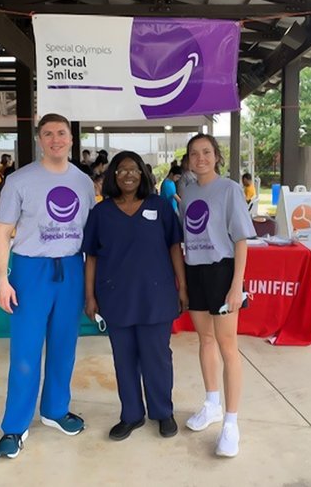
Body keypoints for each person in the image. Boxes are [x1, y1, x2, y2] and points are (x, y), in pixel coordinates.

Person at [0, 113, 95, 459]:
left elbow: (88, 234)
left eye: (61, 133)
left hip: (70, 268)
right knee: (25, 352)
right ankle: (15, 426)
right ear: (39, 139)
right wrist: (2, 278)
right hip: (30, 270)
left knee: (64, 346)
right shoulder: (20, 180)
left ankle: (55, 409)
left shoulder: (83, 182)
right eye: (48, 133)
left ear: (70, 139)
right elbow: (2, 231)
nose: (55, 139)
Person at [83, 151, 187, 441]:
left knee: (157, 357)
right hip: (116, 296)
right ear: (112, 176)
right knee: (124, 359)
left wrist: (182, 286)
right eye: (121, 170)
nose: (128, 174)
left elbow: (174, 248)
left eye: (134, 170)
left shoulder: (161, 207)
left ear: (143, 174)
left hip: (157, 295)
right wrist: (89, 296)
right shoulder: (101, 213)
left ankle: (163, 412)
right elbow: (90, 256)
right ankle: (131, 415)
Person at [180, 133, 255, 458]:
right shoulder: (186, 189)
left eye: (207, 152)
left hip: (221, 272)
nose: (201, 158)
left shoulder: (230, 189)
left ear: (217, 156)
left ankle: (231, 423)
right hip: (194, 271)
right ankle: (211, 403)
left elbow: (240, 239)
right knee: (205, 341)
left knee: (228, 347)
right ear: (188, 159)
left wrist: (237, 284)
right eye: (194, 153)